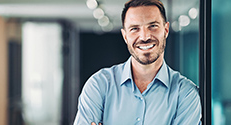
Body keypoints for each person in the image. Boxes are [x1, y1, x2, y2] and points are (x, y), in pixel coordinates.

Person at [74, 0, 202, 124]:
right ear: (125, 36)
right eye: (134, 28)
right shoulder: (99, 85)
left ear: (166, 30)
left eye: (153, 26)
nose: (145, 37)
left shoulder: (185, 94)